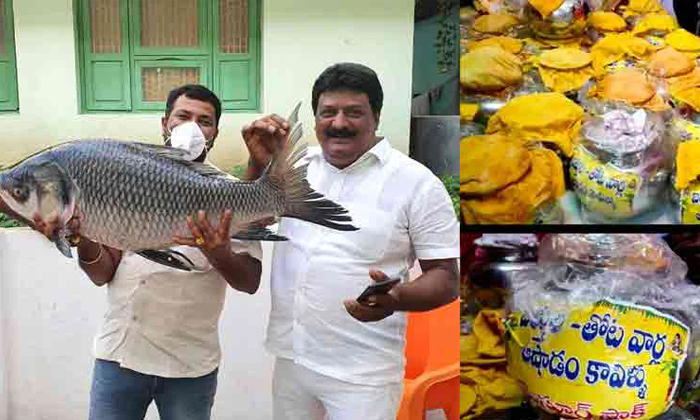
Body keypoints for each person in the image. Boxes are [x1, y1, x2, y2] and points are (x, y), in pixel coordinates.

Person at [12, 84, 263, 420]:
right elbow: (103, 274)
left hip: (191, 366)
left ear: (215, 132)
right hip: (120, 356)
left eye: (204, 121)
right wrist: (84, 236)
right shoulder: (125, 174)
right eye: (183, 116)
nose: (192, 127)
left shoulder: (232, 196)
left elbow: (250, 281)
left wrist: (218, 252)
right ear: (165, 123)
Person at [242, 63, 460, 420]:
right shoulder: (295, 169)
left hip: (364, 374)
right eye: (328, 112)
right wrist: (256, 164)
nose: (339, 123)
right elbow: (250, 220)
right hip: (293, 359)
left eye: (353, 112)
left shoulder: (417, 183)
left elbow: (446, 278)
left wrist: (397, 297)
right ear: (315, 119)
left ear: (376, 116)